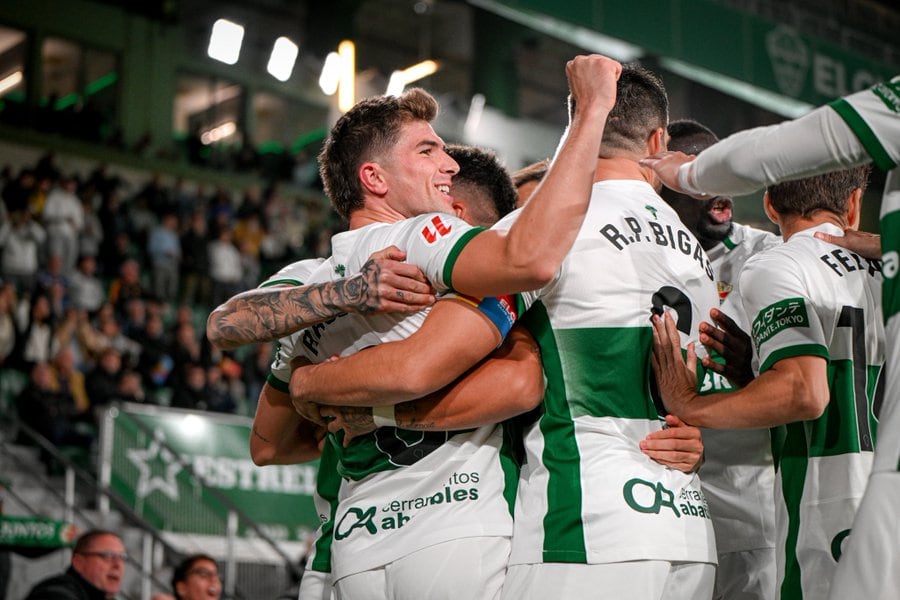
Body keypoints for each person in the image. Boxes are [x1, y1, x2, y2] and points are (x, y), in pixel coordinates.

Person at [291, 63, 717, 600]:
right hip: (687, 525)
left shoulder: (542, 233)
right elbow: (699, 400)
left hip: (586, 521)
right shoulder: (697, 255)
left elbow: (423, 363)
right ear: (658, 139)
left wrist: (321, 389)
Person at [641, 75, 898, 600]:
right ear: (854, 204)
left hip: (832, 506)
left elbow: (804, 392)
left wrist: (688, 401)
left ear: (771, 203)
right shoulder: (887, 270)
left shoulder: (774, 263)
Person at [661, 118, 780, 600]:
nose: (714, 179)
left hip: (749, 502)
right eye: (694, 166)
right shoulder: (637, 250)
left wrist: (758, 364)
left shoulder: (768, 256)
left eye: (717, 163)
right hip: (663, 497)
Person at [24, 529, 126, 600]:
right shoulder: (54, 594)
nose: (117, 565)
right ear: (78, 562)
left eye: (122, 558)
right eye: (107, 556)